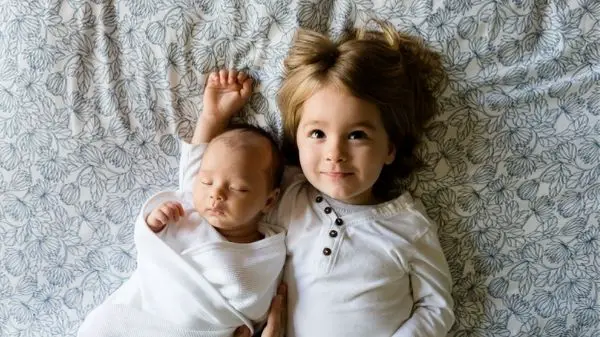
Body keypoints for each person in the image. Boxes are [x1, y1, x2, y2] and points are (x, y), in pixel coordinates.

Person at [201, 20, 455, 337]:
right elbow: (208, 187)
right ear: (297, 140)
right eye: (318, 133)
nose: (335, 153)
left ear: (389, 148)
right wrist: (213, 118)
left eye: (357, 135)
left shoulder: (408, 226)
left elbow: (437, 307)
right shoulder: (284, 196)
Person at [78, 70, 287, 337]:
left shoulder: (266, 251)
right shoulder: (188, 207)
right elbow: (197, 157)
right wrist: (214, 115)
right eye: (207, 182)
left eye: (238, 188)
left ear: (269, 200)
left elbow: (255, 303)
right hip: (142, 314)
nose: (216, 194)